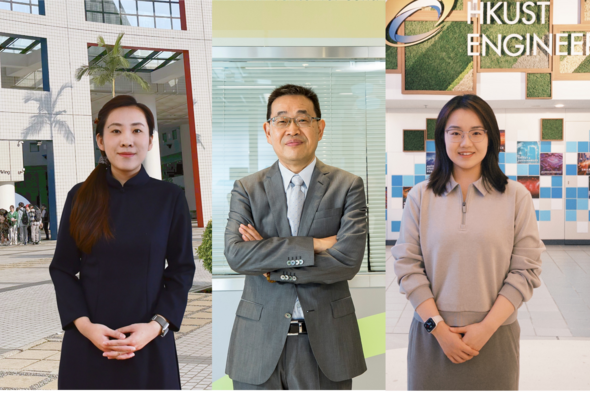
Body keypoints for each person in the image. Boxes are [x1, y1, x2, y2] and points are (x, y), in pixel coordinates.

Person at [392, 94, 544, 392]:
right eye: (455, 133)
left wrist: (485, 329)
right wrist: (439, 330)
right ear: (442, 138)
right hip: (432, 336)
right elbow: (407, 266)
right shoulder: (420, 197)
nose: (466, 143)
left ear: (491, 138)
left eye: (477, 132)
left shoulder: (516, 196)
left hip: (495, 337)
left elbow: (526, 270)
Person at [224, 84, 367, 391]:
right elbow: (236, 255)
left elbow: (347, 261)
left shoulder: (348, 186)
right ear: (267, 130)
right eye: (282, 120)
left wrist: (271, 267)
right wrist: (314, 245)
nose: (292, 128)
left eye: (303, 119)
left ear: (320, 127)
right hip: (257, 345)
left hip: (327, 347)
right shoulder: (247, 189)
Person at [49, 95, 195, 390]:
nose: (127, 140)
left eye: (137, 130)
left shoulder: (169, 198)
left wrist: (156, 326)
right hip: (89, 345)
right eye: (116, 131)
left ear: (151, 140)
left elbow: (181, 270)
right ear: (101, 141)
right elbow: (62, 269)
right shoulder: (80, 196)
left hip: (149, 343)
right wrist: (86, 327)